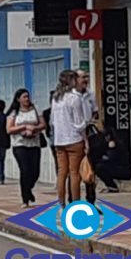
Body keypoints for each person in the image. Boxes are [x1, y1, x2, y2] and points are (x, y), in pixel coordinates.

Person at [51, 70, 89, 206]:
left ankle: (61, 202)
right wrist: (85, 140)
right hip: (73, 139)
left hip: (59, 140)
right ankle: (76, 202)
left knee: (62, 172)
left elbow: (53, 121)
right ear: (72, 81)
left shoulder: (56, 98)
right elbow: (79, 123)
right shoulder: (74, 98)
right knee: (74, 173)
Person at [7, 89, 45, 208]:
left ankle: (28, 189)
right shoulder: (14, 112)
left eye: (27, 97)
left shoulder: (35, 109)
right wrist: (23, 127)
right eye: (24, 97)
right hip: (19, 144)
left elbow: (43, 124)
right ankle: (25, 199)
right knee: (25, 170)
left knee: (35, 172)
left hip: (34, 143)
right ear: (18, 99)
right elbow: (9, 129)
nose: (27, 99)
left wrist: (34, 129)